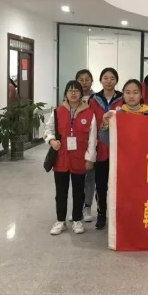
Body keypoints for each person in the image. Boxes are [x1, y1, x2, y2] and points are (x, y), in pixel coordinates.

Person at [44, 80, 97, 235]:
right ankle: (60, 220)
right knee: (61, 192)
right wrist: (51, 141)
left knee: (79, 192)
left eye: (76, 90)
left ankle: (77, 220)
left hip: (80, 159)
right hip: (61, 158)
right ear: (65, 94)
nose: (73, 93)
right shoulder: (57, 112)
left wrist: (90, 158)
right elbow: (48, 130)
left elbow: (92, 138)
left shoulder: (89, 113)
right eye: (70, 90)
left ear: (81, 94)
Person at [88, 68, 123, 229]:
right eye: (106, 78)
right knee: (101, 185)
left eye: (112, 78)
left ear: (116, 81)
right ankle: (101, 214)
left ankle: (118, 215)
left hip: (119, 149)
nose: (109, 81)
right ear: (101, 80)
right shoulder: (93, 100)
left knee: (119, 185)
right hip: (100, 148)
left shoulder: (123, 99)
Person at [75, 69, 97, 223]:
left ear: (92, 81)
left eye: (87, 79)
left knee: (90, 176)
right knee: (76, 177)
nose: (84, 82)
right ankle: (77, 208)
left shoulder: (96, 99)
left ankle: (87, 206)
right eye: (81, 80)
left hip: (92, 141)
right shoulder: (71, 97)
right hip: (75, 143)